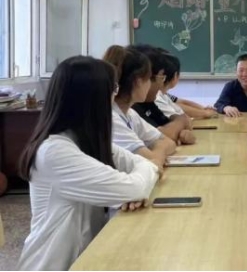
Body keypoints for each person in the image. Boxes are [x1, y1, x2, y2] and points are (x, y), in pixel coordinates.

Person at [17, 56, 159, 271]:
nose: (115, 98)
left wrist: (133, 188)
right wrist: (133, 190)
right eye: (113, 90)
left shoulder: (85, 141)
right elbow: (137, 184)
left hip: (88, 257)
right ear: (93, 99)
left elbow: (145, 164)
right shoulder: (55, 151)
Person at [103, 45, 176, 171]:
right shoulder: (111, 117)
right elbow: (150, 161)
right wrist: (157, 154)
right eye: (148, 79)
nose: (150, 85)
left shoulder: (130, 114)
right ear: (137, 82)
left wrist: (157, 153)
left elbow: (169, 143)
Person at [130, 45, 196, 145]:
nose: (162, 84)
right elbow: (162, 137)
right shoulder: (132, 108)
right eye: (162, 78)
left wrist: (180, 130)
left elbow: (168, 127)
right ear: (142, 79)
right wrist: (180, 123)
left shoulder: (148, 102)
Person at [155, 53, 217, 119]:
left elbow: (179, 106)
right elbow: (180, 116)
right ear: (175, 75)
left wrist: (204, 109)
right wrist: (205, 113)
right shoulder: (157, 97)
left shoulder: (164, 96)